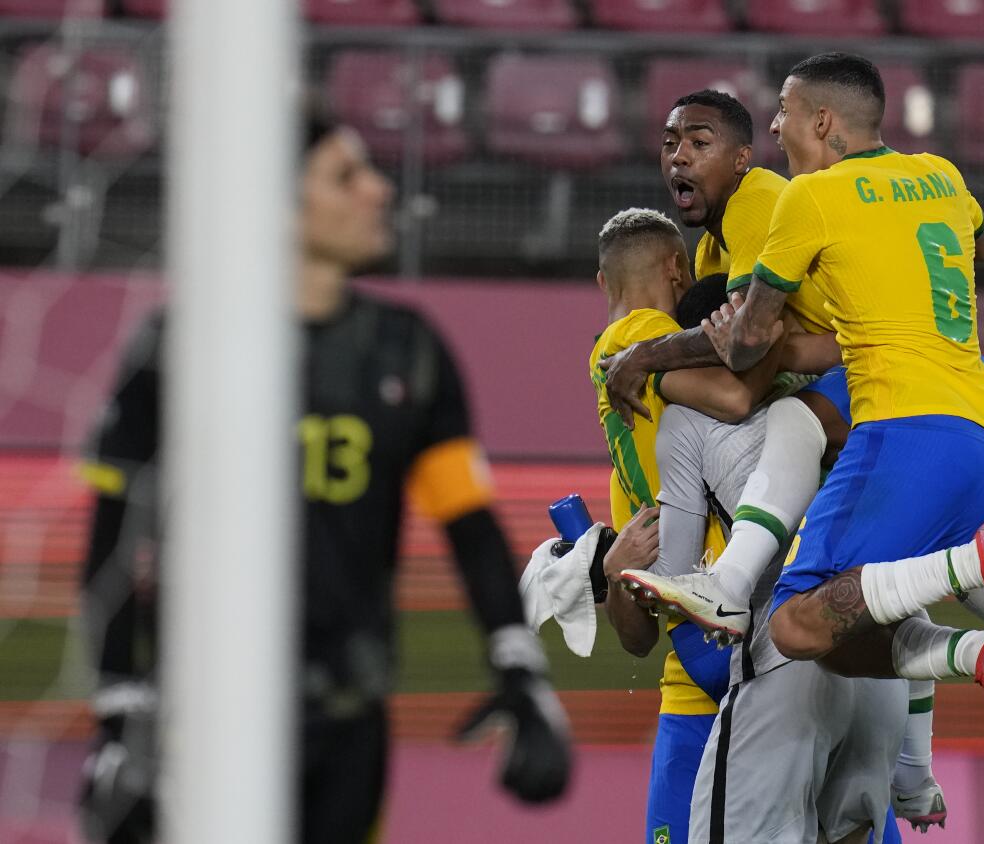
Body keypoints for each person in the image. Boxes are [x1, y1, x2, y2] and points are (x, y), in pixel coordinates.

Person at [607, 59, 984, 758]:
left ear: (822, 122)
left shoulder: (802, 200)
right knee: (845, 642)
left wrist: (653, 354)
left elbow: (751, 344)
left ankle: (954, 569)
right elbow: (983, 246)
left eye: (785, 112)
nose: (778, 127)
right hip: (982, 431)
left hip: (901, 428)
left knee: (793, 621)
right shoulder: (940, 174)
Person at [77, 116, 571, 844]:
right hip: (204, 723)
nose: (379, 190)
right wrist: (119, 709)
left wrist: (519, 669)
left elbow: (468, 526)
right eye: (346, 176)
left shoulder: (408, 351)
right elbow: (114, 543)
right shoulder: (177, 349)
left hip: (348, 724)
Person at [606, 275, 906, 844]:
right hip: (860, 655)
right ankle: (931, 737)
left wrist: (651, 364)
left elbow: (665, 602)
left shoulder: (679, 425)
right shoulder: (826, 406)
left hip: (763, 666)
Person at [591, 209, 780, 844]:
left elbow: (635, 639)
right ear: (677, 270)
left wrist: (617, 577)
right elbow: (736, 396)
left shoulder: (627, 461)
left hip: (692, 666)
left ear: (601, 282)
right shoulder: (645, 337)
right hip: (748, 640)